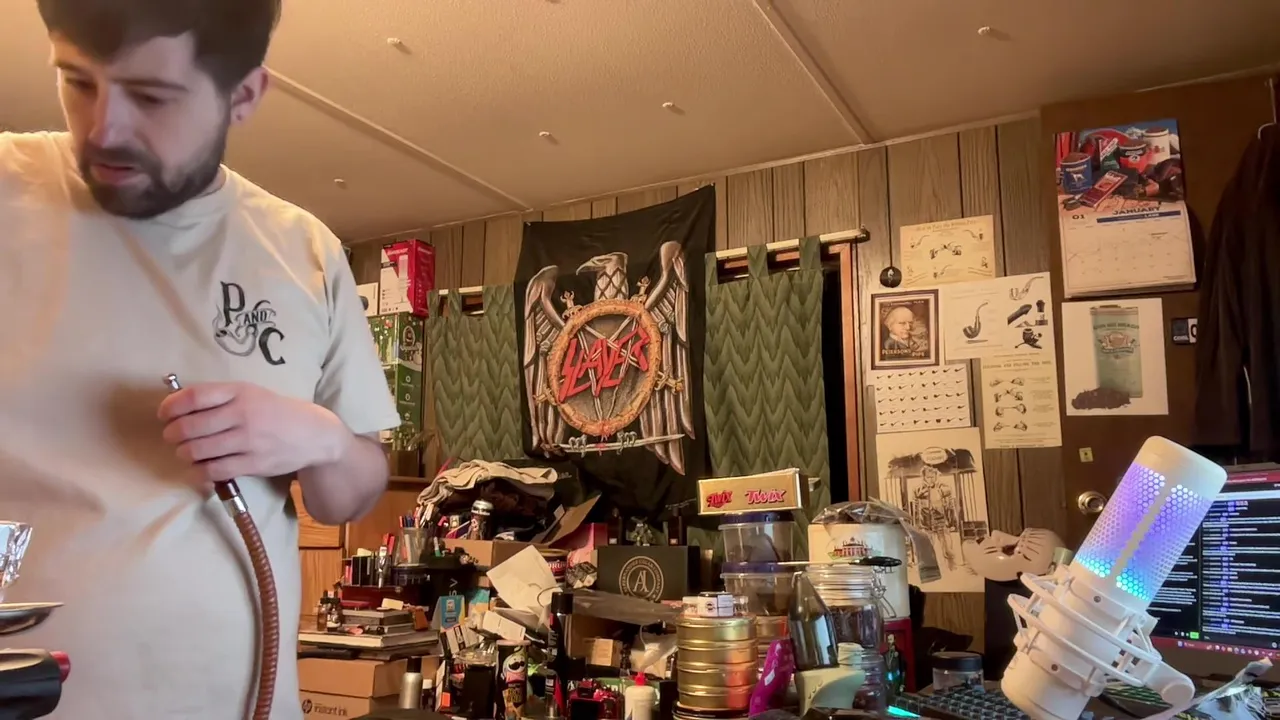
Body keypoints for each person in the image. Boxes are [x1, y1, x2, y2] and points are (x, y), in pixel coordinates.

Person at [0, 1, 399, 718]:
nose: (103, 129)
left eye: (151, 96)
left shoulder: (305, 251)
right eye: (77, 81)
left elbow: (348, 494)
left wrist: (322, 438)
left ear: (243, 94)